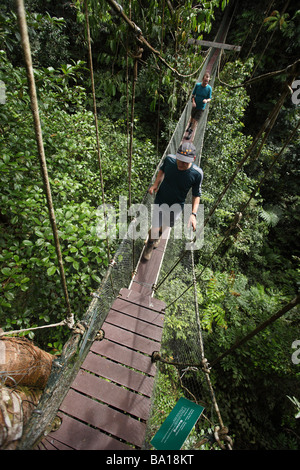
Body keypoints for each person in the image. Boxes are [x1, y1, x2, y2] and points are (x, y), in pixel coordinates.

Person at [143, 142, 203, 260]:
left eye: (185, 161)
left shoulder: (197, 174)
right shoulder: (170, 160)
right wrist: (155, 185)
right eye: (180, 159)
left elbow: (196, 195)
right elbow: (162, 170)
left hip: (177, 205)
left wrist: (193, 214)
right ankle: (150, 244)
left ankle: (158, 235)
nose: (181, 164)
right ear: (177, 155)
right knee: (155, 228)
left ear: (193, 159)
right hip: (161, 199)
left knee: (166, 226)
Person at [186, 72, 212, 140]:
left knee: (195, 120)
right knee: (192, 117)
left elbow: (210, 98)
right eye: (205, 80)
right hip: (195, 105)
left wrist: (206, 100)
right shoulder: (197, 86)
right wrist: (193, 102)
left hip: (201, 108)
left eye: (207, 81)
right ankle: (189, 126)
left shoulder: (209, 88)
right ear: (202, 79)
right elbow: (193, 95)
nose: (206, 82)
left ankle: (190, 133)